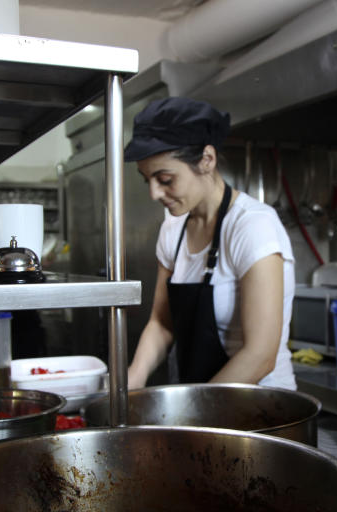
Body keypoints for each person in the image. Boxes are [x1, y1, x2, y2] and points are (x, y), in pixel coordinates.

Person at [125, 97, 296, 390]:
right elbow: (161, 324)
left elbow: (260, 355)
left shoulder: (252, 226)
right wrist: (129, 385)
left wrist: (194, 410)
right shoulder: (172, 228)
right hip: (200, 403)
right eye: (147, 180)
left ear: (207, 159)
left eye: (165, 179)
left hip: (258, 410)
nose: (154, 193)